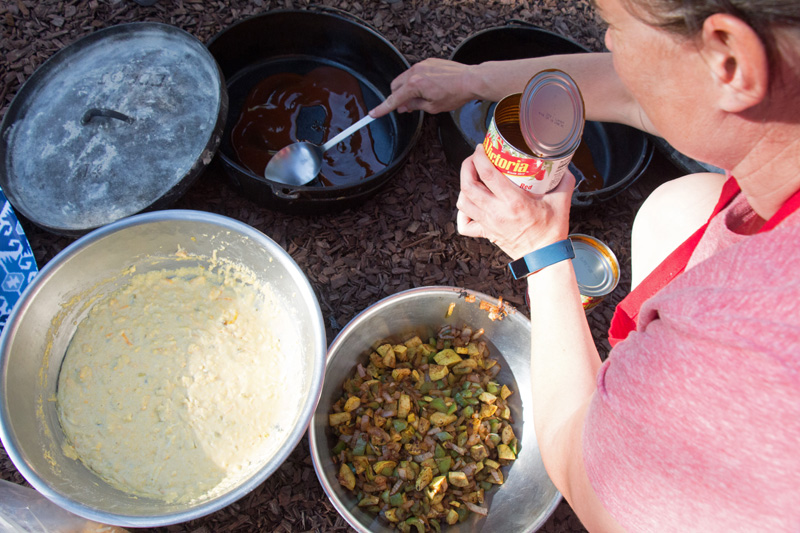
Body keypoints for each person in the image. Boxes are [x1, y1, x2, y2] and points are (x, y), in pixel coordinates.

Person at [370, 0, 800, 530]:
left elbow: (590, 481)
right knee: (680, 208)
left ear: (729, 59)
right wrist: (477, 81)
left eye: (616, 26)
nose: (609, 44)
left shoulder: (746, 353)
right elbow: (631, 89)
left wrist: (541, 247)